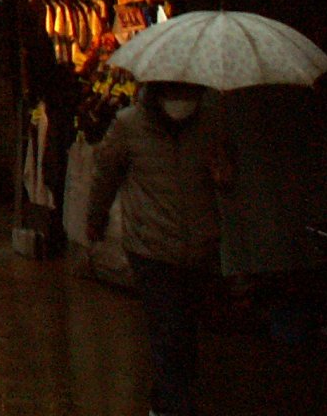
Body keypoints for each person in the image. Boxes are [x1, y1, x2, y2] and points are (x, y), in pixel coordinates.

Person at [86, 82, 229, 416]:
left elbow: (226, 176)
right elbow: (105, 174)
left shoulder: (211, 123)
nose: (182, 101)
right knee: (169, 329)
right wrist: (96, 218)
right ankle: (173, 407)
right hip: (151, 247)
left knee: (185, 332)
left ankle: (166, 398)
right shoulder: (129, 125)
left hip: (200, 244)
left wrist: (224, 175)